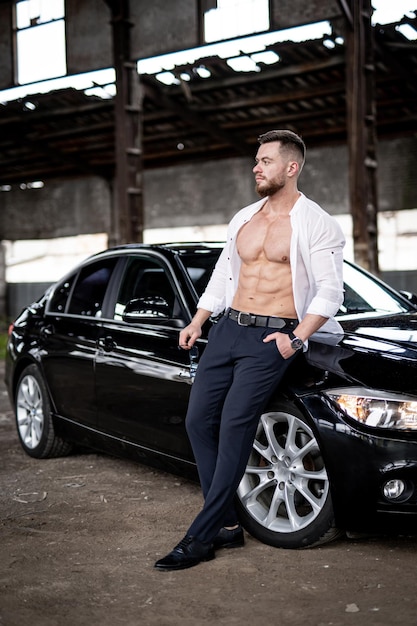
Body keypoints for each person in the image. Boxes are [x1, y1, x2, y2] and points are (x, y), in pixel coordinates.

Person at [154, 129, 345, 571]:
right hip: (227, 329)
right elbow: (224, 275)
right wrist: (199, 319)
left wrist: (296, 337)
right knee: (199, 419)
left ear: (291, 167)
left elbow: (331, 291)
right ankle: (224, 524)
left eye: (265, 161)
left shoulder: (316, 222)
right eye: (256, 161)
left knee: (235, 426)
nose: (256, 168)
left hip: (272, 337)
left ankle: (201, 537)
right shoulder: (244, 217)